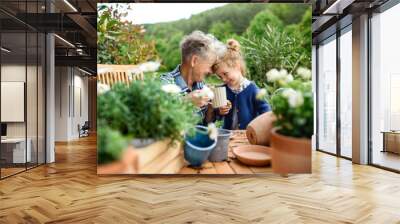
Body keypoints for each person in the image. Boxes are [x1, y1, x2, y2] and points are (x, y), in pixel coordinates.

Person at [160, 30, 224, 124]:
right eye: (210, 65)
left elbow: (205, 124)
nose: (211, 71)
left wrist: (211, 108)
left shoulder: (201, 86)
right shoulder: (166, 82)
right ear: (194, 61)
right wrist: (186, 101)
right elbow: (158, 115)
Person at [212, 39, 270, 130]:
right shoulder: (223, 90)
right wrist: (220, 111)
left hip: (247, 137)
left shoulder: (253, 90)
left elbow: (266, 112)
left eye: (225, 74)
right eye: (219, 76)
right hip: (229, 136)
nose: (223, 79)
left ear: (237, 65)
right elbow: (217, 116)